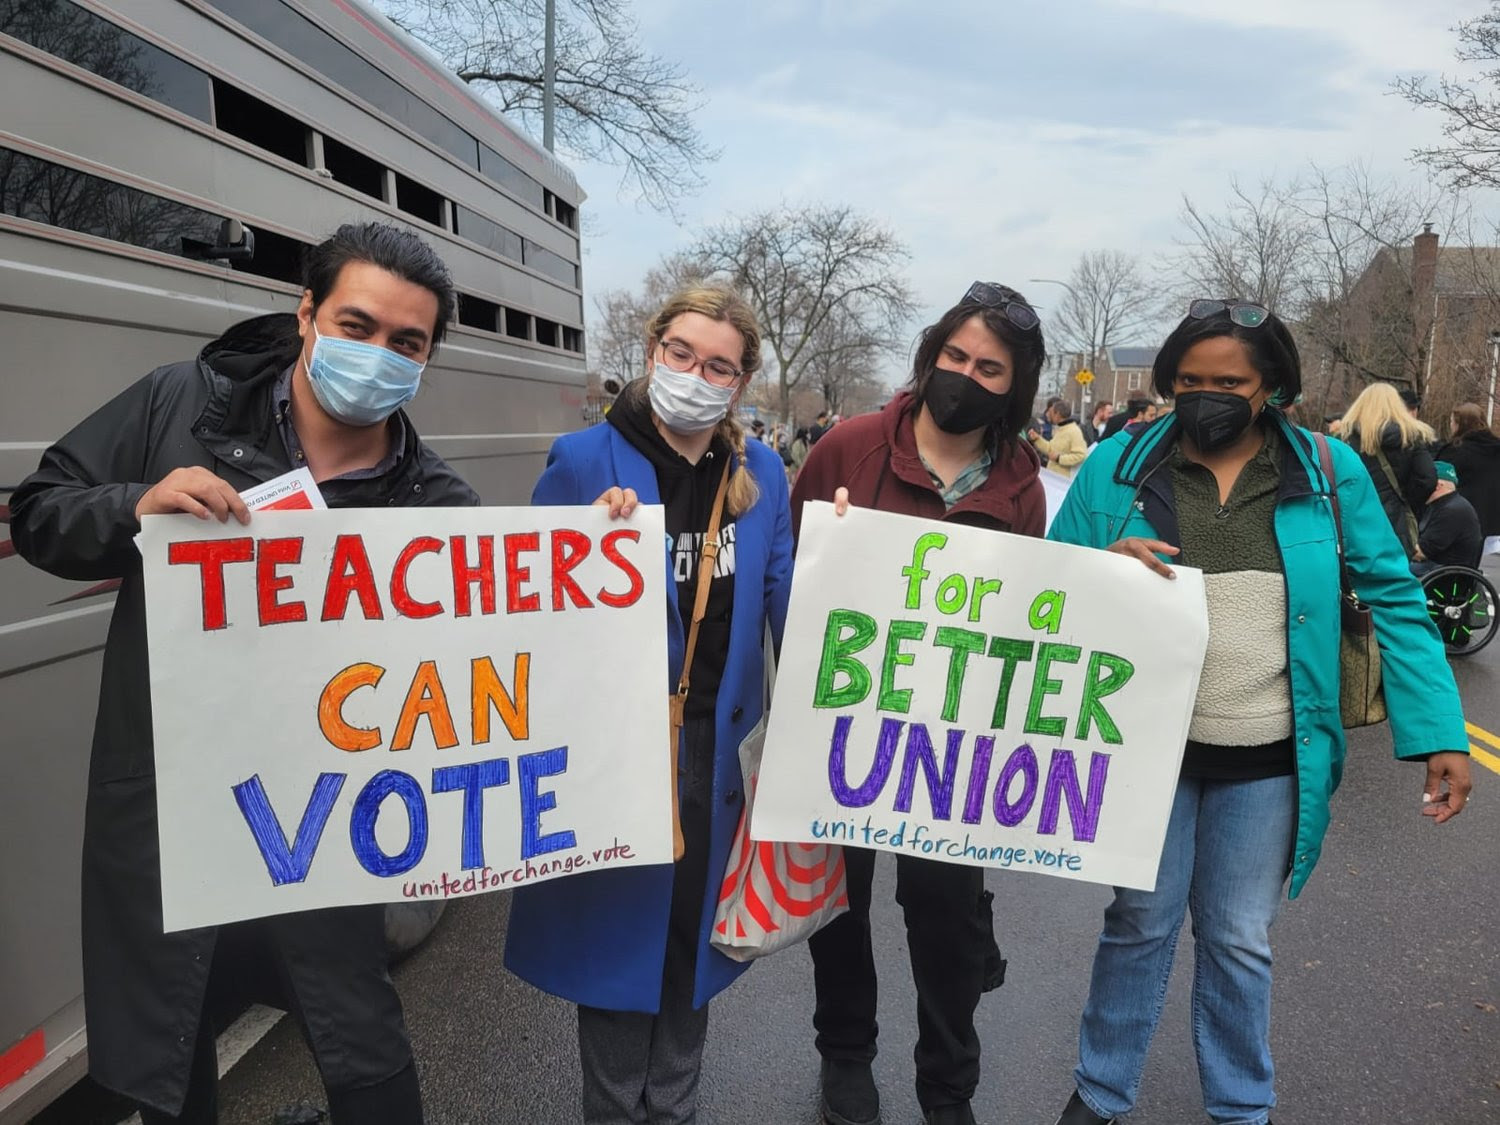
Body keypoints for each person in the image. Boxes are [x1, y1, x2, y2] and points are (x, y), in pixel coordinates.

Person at [9, 221, 480, 1124]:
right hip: (175, 820)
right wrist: (131, 508)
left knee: (370, 1058)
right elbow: (38, 510)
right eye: (356, 324)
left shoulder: (437, 503)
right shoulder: (177, 405)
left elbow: (483, 677)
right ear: (306, 313)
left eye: (406, 342)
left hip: (325, 834)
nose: (377, 353)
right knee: (168, 1054)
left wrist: (603, 543)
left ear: (426, 359)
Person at [1047, 298, 1471, 1125]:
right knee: (1138, 920)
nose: (1206, 396)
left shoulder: (1325, 469)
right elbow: (1046, 582)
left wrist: (1439, 733)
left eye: (1229, 381)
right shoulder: (1118, 465)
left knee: (1239, 937)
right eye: (1189, 381)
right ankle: (1099, 1093)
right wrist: (1103, 562)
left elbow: (1392, 593)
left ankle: (1243, 1106)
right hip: (1146, 746)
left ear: (1271, 384)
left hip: (1270, 752)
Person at [504, 285, 793, 1124]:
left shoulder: (761, 472)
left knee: (689, 946)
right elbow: (525, 609)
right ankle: (612, 1111)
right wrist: (580, 546)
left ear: (739, 384)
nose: (695, 375)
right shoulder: (585, 459)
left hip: (713, 748)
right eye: (682, 354)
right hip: (616, 751)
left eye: (719, 366)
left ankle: (675, 1108)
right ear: (652, 349)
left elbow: (790, 604)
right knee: (621, 948)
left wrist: (846, 555)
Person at [794, 280, 1047, 1125]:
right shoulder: (850, 447)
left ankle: (948, 1081)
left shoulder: (1018, 477)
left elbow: (1026, 603)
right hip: (848, 722)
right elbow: (785, 576)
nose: (965, 375)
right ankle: (847, 1057)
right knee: (844, 902)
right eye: (954, 356)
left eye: (989, 367)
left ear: (1015, 384)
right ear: (930, 354)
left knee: (945, 915)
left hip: (953, 739)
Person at [1339, 382, 1437, 558]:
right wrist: (1404, 499)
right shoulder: (1411, 437)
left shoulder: (1345, 438)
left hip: (1355, 518)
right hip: (1394, 521)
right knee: (1394, 576)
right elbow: (1427, 479)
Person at [1434, 401, 1500, 538]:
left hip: (1459, 519)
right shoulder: (1495, 449)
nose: (1451, 425)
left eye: (1452, 422)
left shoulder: (1455, 452)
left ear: (1460, 425)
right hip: (1491, 521)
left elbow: (1438, 482)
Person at [1413, 461, 1482, 575]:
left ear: (1438, 485)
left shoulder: (1452, 511)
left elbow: (1421, 552)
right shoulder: (1444, 504)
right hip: (1438, 566)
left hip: (1444, 572)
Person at [1028, 397, 1088, 476]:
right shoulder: (1060, 429)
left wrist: (1059, 458)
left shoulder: (1074, 432)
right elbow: (1051, 450)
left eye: (1051, 413)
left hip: (1063, 481)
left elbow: (1081, 455)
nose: (1049, 416)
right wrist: (1037, 439)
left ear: (1058, 414)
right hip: (1053, 477)